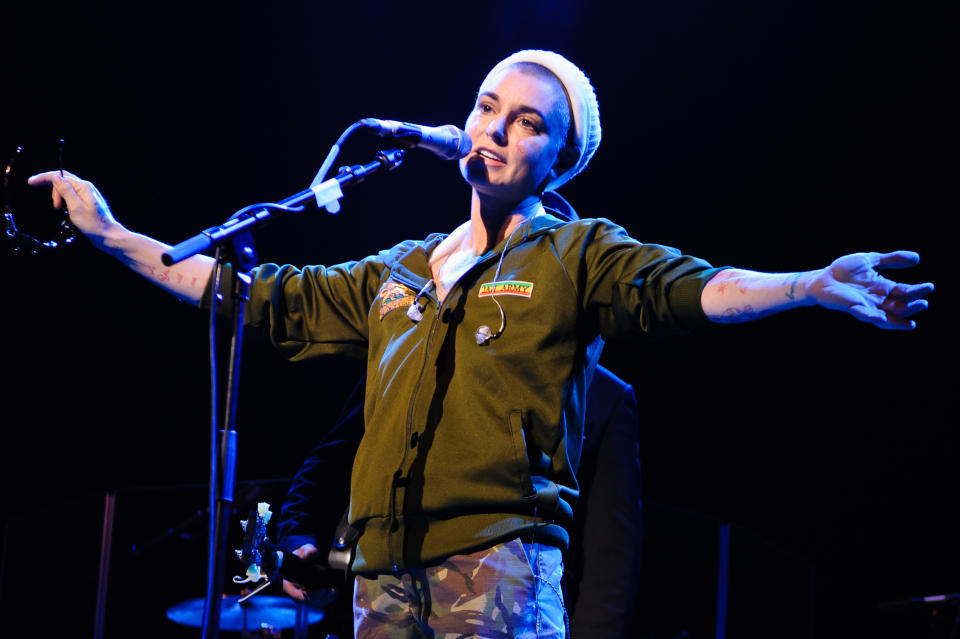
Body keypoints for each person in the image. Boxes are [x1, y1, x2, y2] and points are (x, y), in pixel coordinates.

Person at [28, 49, 932, 638]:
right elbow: (248, 295)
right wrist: (110, 232)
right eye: (489, 106)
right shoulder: (402, 268)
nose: (497, 129)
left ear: (560, 160)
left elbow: (697, 288)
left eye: (530, 123)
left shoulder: (576, 253)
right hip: (379, 578)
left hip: (495, 573)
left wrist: (809, 284)